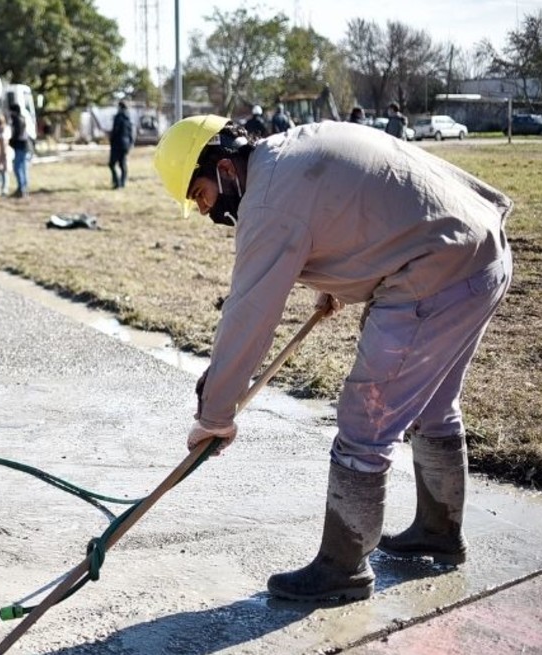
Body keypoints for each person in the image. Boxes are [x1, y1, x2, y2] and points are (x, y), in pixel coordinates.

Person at [152, 115, 512, 602]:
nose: (205, 211)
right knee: (432, 406)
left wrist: (214, 415)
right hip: (479, 253)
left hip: (438, 271)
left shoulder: (268, 200)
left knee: (367, 418)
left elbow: (250, 314)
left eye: (200, 196)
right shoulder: (288, 153)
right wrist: (338, 281)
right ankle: (438, 533)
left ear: (224, 168)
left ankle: (343, 567)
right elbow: (355, 208)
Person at [109, 100, 134, 189]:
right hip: (125, 145)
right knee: (122, 164)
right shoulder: (128, 118)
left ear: (120, 107)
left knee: (111, 164)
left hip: (117, 144)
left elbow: (115, 131)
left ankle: (117, 183)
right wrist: (130, 144)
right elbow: (131, 133)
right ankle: (122, 183)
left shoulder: (118, 117)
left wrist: (111, 140)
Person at [8, 103, 31, 198]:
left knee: (18, 168)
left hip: (20, 146)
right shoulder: (22, 118)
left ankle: (21, 189)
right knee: (23, 168)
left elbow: (17, 134)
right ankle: (24, 188)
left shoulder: (17, 120)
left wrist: (11, 142)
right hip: (24, 146)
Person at [0, 113, 11, 197]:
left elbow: (6, 141)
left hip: (4, 152)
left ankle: (5, 188)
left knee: (4, 171)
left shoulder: (6, 129)